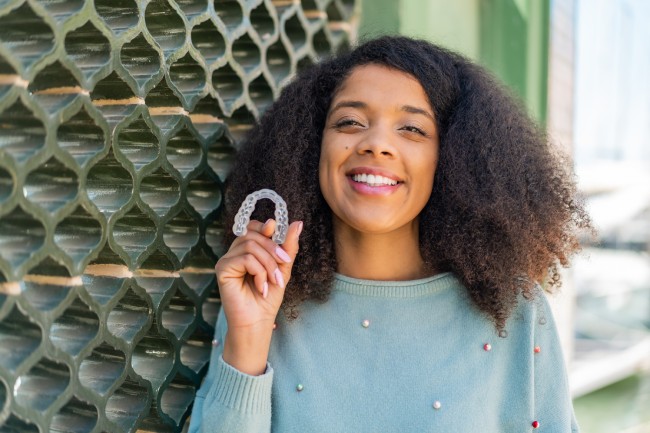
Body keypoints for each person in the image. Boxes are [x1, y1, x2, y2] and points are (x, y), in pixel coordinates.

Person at [189, 36, 590, 432]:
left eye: (412, 129)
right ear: (314, 145)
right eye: (350, 122)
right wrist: (248, 338)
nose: (376, 144)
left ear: (453, 157)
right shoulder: (259, 297)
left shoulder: (516, 312)